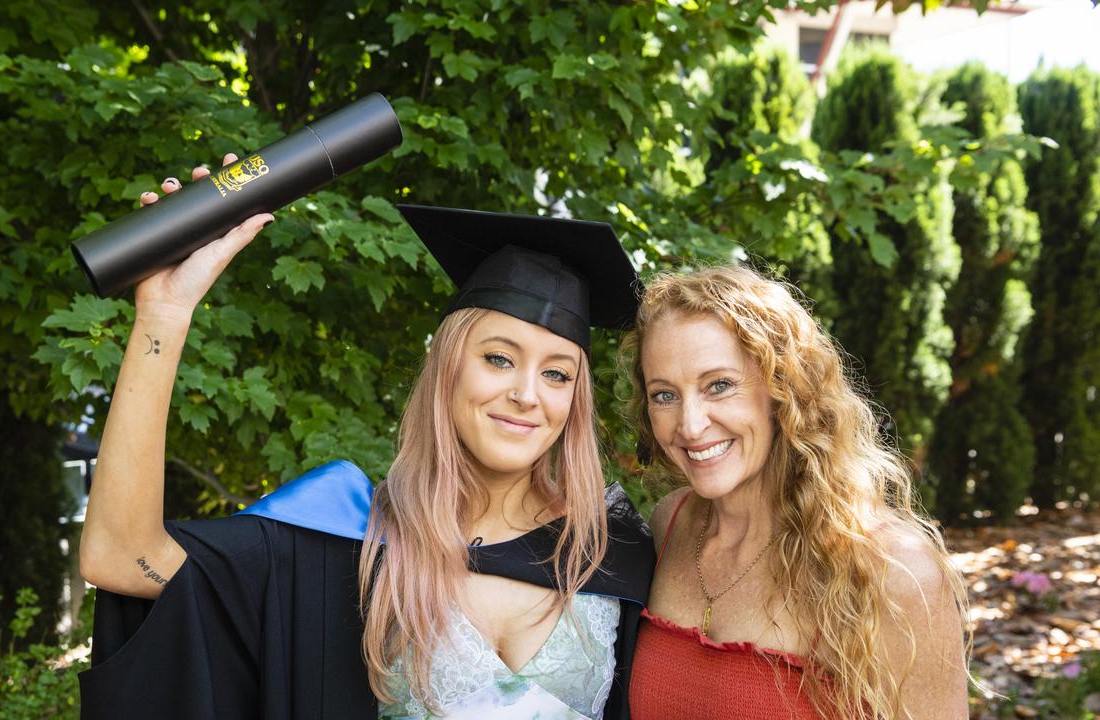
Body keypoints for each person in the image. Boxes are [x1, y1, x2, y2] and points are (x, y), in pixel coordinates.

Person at [76, 156, 654, 719]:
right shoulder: (345, 538)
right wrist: (165, 314)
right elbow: (121, 558)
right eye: (499, 359)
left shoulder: (611, 552)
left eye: (557, 373)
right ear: (448, 368)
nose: (528, 394)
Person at [622, 265, 969, 719]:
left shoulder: (891, 570)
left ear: (782, 388)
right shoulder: (671, 524)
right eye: (664, 394)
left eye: (719, 386)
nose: (689, 425)